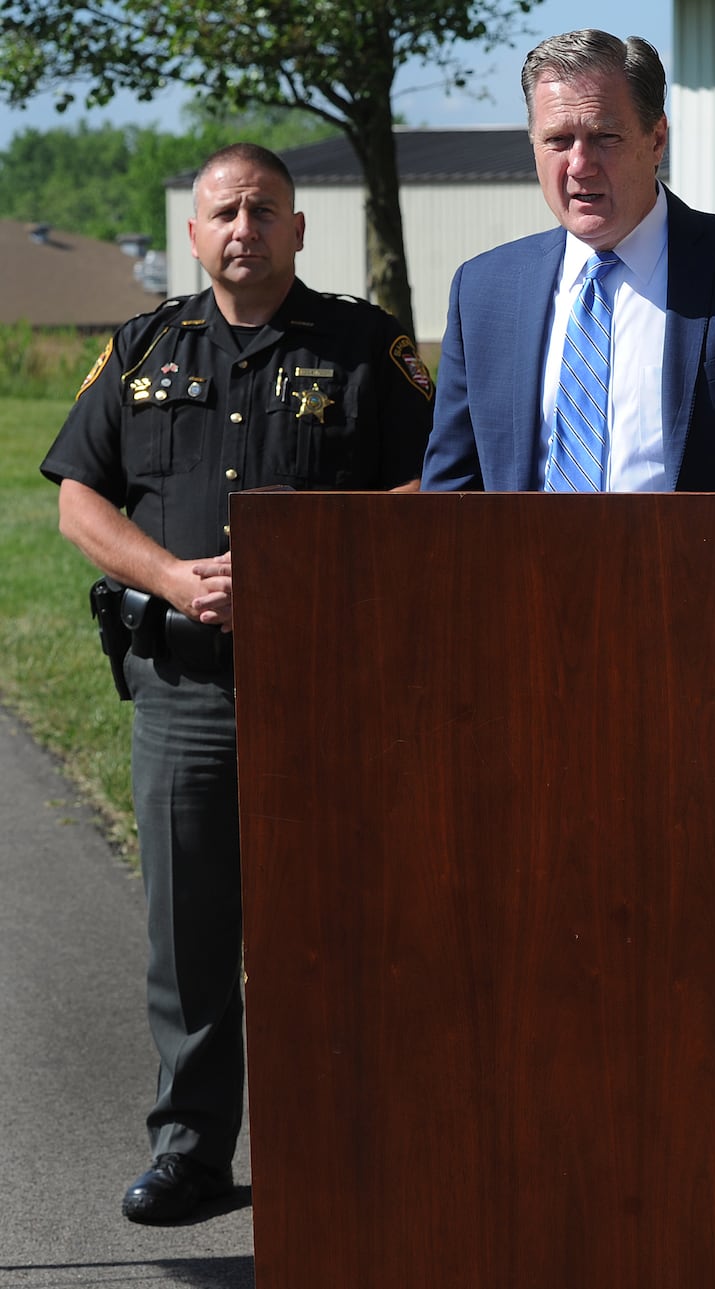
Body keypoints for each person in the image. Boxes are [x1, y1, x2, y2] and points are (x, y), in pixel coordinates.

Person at [40, 142, 434, 1224]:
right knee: (191, 938)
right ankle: (192, 1153)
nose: (244, 227)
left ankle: (346, 1149)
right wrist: (167, 574)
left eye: (265, 209)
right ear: (194, 232)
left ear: (300, 228)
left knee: (336, 924)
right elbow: (80, 499)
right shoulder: (142, 346)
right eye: (224, 211)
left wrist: (312, 565)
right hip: (186, 691)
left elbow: (438, 485)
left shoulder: (364, 346)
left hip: (331, 691)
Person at [420, 29, 715, 655]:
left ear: (657, 140)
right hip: (522, 642)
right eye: (557, 140)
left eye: (605, 137)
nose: (579, 164)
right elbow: (449, 497)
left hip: (707, 638)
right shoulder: (483, 290)